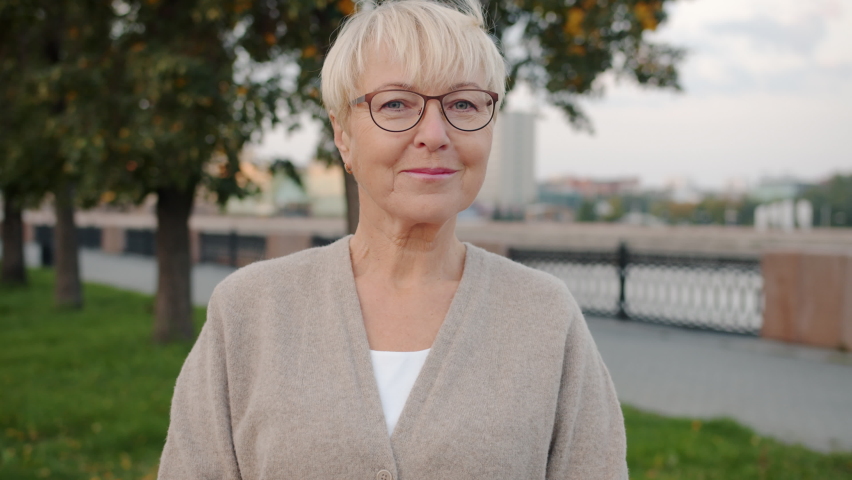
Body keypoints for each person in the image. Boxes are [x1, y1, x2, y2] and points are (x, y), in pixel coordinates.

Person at [158, 1, 627, 478]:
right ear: (342, 135)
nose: (434, 134)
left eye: (463, 103)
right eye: (396, 104)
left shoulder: (545, 318)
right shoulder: (249, 311)